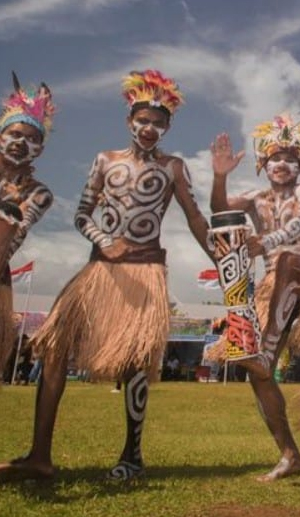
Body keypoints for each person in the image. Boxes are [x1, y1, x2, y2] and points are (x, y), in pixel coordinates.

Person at [0, 70, 214, 482]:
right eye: (143, 120)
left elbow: (194, 218)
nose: (149, 129)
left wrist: (222, 260)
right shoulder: (104, 160)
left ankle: (132, 455)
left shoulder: (173, 167)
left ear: (168, 127)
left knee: (135, 361)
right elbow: (82, 214)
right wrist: (103, 238)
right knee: (55, 349)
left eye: (158, 123)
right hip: (99, 268)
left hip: (144, 270)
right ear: (129, 120)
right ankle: (40, 455)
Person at [208, 113, 300, 480]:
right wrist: (219, 175)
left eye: (291, 159)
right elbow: (220, 209)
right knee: (258, 374)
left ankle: (263, 351)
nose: (282, 164)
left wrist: (266, 242)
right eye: (275, 158)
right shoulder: (255, 198)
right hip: (272, 289)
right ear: (263, 163)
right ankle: (290, 454)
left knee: (290, 259)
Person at [0, 73, 55, 379]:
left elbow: (12, 235)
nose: (22, 143)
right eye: (15, 135)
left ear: (41, 150)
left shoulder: (37, 193)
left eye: (32, 139)